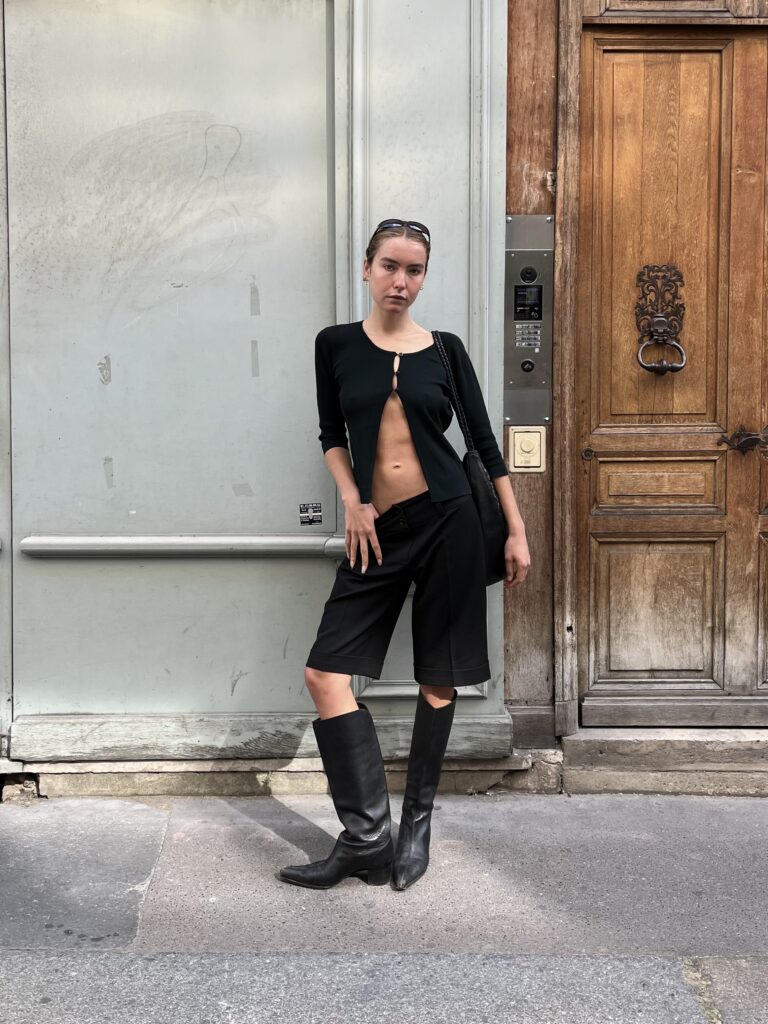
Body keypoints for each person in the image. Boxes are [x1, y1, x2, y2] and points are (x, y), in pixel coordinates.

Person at [279, 218, 530, 892]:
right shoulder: (335, 345)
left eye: (414, 270)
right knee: (324, 674)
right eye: (390, 266)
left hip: (450, 521)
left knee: (438, 679)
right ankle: (367, 838)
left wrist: (516, 530)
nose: (401, 281)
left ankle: (414, 825)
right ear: (367, 268)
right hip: (377, 527)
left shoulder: (445, 350)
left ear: (424, 276)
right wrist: (352, 499)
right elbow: (333, 434)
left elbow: (483, 443)